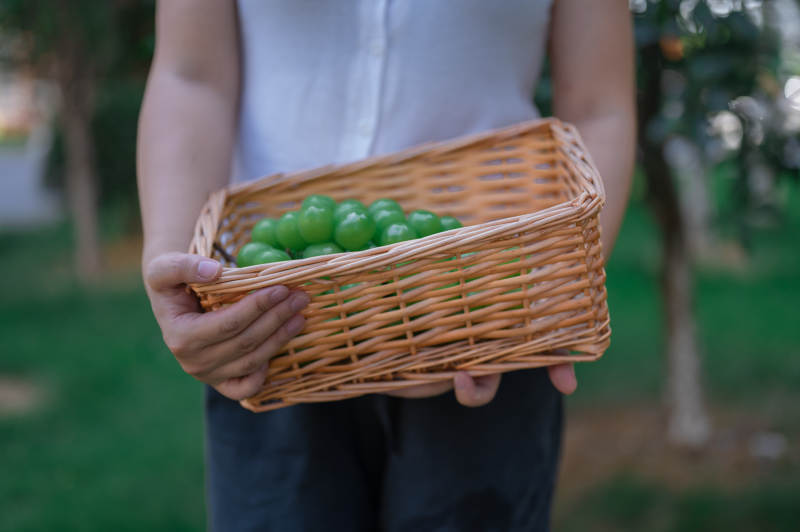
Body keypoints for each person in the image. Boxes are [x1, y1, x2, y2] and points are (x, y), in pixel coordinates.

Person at [137, 1, 635, 530]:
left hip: (485, 317)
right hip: (272, 331)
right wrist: (177, 264)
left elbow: (599, 106)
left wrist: (551, 286)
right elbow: (190, 76)